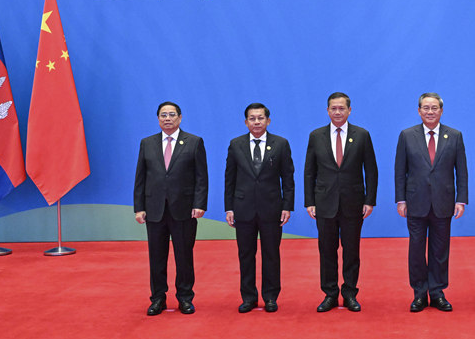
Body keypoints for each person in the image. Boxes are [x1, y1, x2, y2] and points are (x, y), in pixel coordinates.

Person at [304, 92, 378, 313]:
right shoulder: (316, 136)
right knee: (327, 251)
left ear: (349, 110)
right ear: (327, 110)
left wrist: (369, 200)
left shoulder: (362, 135)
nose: (337, 112)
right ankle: (330, 294)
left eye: (342, 108)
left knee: (351, 251)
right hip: (324, 203)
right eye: (333, 108)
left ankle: (349, 294)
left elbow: (371, 170)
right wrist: (309, 201)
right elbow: (309, 172)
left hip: (353, 203)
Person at [394, 92, 467, 312]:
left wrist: (461, 200)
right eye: (425, 108)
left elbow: (461, 171)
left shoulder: (454, 136)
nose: (430, 111)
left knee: (440, 251)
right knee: (416, 251)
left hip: (444, 202)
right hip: (415, 202)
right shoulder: (407, 135)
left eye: (434, 108)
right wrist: (401, 199)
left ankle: (437, 293)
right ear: (419, 111)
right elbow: (400, 171)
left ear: (441, 111)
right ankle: (419, 294)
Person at [133, 101, 208, 316]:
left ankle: (185, 298)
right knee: (156, 257)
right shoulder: (147, 143)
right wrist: (139, 207)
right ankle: (158, 298)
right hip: (154, 209)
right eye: (163, 115)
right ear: (158, 119)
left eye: (172, 114)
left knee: (184, 256)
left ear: (180, 118)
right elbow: (140, 178)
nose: (168, 118)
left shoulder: (194, 142)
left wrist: (199, 204)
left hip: (184, 209)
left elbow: (201, 177)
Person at [224, 103, 294, 314]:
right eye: (252, 119)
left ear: (268, 121)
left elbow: (288, 178)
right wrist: (229, 208)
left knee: (271, 254)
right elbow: (230, 179)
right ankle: (249, 297)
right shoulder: (235, 144)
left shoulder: (280, 144)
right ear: (246, 122)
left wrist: (287, 206)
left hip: (271, 208)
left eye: (260, 118)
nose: (256, 122)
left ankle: (270, 297)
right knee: (245, 255)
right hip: (243, 208)